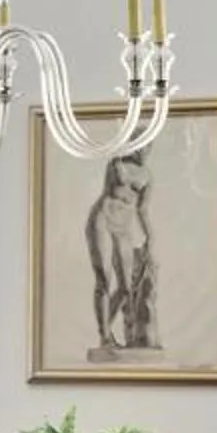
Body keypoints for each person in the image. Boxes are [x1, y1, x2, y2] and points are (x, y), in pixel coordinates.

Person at [85, 145, 157, 353]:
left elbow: (142, 209)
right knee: (104, 280)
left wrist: (149, 234)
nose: (145, 151)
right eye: (142, 146)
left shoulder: (147, 176)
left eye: (148, 147)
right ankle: (105, 336)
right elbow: (114, 183)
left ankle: (112, 330)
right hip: (103, 221)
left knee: (127, 287)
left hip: (123, 228)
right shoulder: (117, 163)